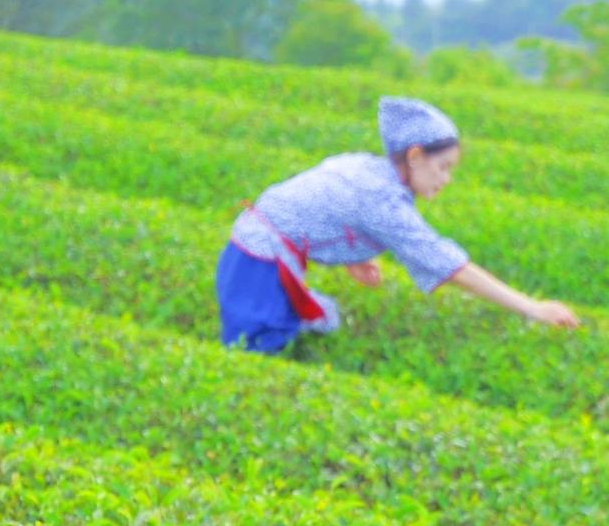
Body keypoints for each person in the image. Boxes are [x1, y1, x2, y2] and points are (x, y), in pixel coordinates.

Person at [217, 96, 580, 353]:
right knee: (257, 347)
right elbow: (449, 266)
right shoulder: (382, 199)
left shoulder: (367, 167)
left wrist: (353, 258)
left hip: (255, 251)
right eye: (444, 167)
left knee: (284, 336)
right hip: (260, 262)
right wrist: (532, 308)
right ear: (415, 156)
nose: (447, 179)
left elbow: (322, 205)